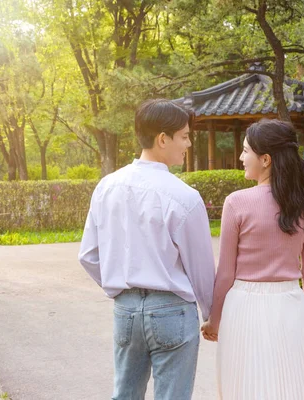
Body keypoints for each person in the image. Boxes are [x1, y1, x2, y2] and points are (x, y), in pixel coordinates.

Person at [79, 98, 215, 400]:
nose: (189, 143)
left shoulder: (106, 187)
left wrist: (121, 287)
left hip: (125, 311)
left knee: (124, 395)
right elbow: (201, 268)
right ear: (162, 139)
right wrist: (211, 315)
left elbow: (88, 255)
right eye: (184, 136)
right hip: (172, 311)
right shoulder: (185, 196)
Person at [202, 118, 304, 399]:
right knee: (288, 388)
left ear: (265, 159)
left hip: (243, 308)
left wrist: (213, 320)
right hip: (291, 309)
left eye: (246, 151)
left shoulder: (237, 202)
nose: (242, 157)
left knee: (243, 386)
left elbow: (226, 274)